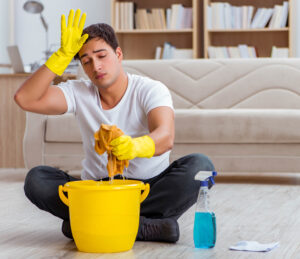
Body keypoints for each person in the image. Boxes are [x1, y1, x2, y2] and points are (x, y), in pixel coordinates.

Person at [14, 9, 215, 243]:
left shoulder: (149, 89)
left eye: (101, 56)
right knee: (36, 179)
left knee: (200, 165)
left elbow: (165, 137)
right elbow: (25, 99)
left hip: (146, 190)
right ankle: (146, 226)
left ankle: (90, 223)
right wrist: (60, 57)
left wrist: (134, 147)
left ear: (118, 54)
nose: (95, 66)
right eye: (86, 61)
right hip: (97, 191)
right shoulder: (78, 92)